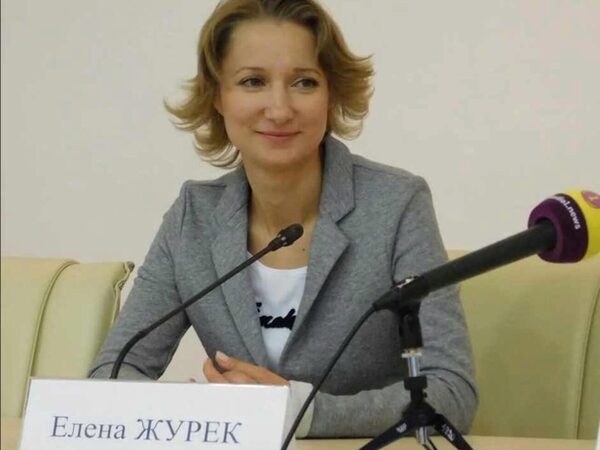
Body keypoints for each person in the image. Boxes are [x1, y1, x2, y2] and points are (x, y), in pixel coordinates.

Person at [90, 0, 477, 438]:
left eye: (304, 82)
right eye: (252, 81)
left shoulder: (396, 204)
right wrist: (198, 414)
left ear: (331, 94)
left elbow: (452, 392)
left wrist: (299, 410)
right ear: (217, 96)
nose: (279, 109)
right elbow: (111, 374)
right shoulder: (193, 217)